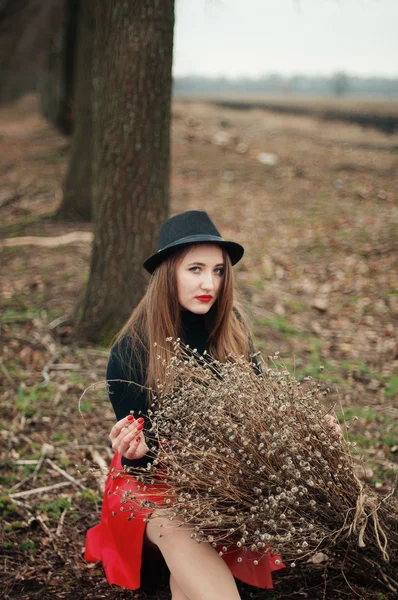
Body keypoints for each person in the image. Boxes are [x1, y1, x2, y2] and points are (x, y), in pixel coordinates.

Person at [84, 210, 285, 599]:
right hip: (150, 487)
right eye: (195, 269)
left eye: (218, 270)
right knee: (189, 542)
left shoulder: (233, 332)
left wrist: (302, 434)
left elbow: (263, 414)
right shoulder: (132, 351)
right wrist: (135, 453)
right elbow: (141, 467)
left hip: (218, 483)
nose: (209, 282)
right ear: (168, 273)